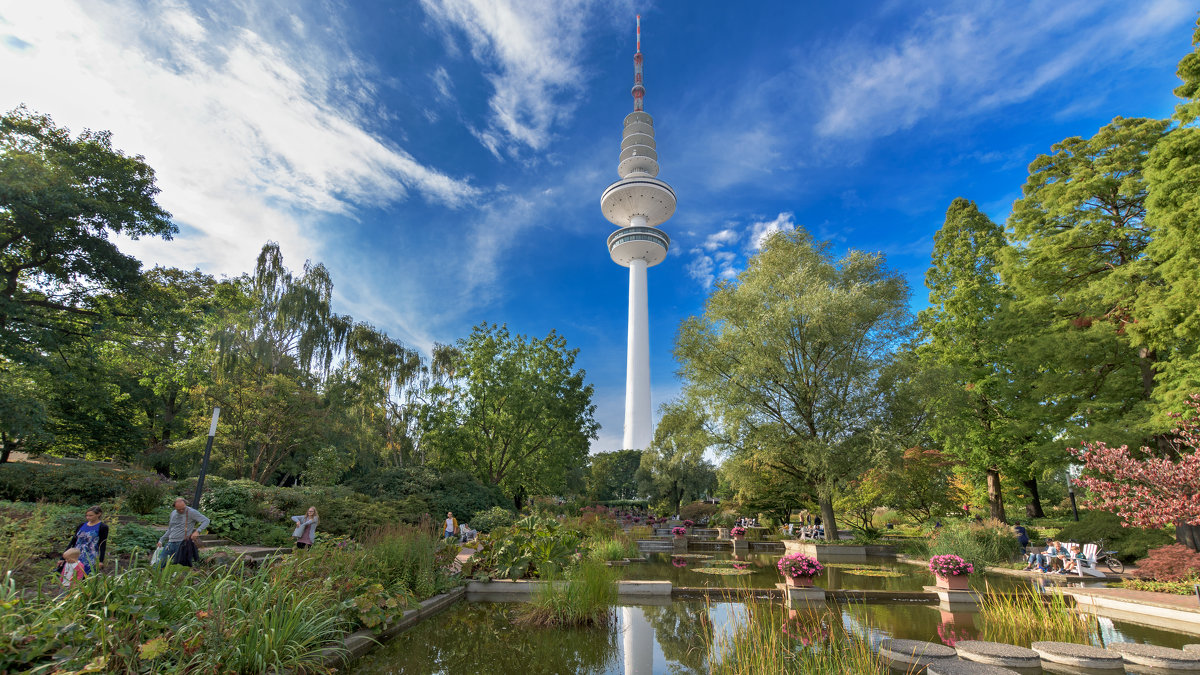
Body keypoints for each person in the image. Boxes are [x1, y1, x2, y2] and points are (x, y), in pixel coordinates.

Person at [156, 498, 210, 567]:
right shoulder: (173, 513)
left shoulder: (191, 512)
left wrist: (197, 531)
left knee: (180, 567)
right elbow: (170, 529)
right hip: (170, 543)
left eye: (183, 508)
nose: (181, 510)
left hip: (182, 544)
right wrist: (161, 540)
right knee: (159, 564)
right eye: (179, 509)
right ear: (175, 507)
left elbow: (206, 521)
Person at [66, 505, 108, 574]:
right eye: (87, 515)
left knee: (86, 576)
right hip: (76, 554)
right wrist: (64, 556)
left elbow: (102, 544)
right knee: (73, 575)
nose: (88, 517)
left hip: (91, 556)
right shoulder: (82, 525)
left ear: (99, 514)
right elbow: (73, 541)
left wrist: (101, 560)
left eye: (91, 515)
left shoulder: (102, 527)